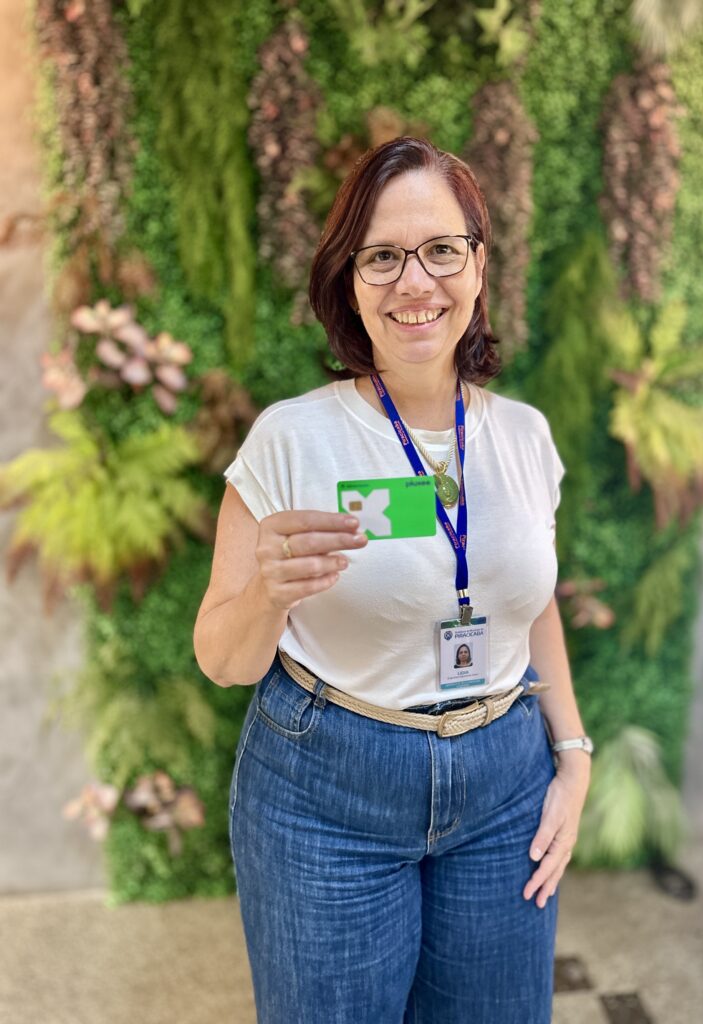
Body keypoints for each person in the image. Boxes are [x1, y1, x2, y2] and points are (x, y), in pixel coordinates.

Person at [193, 136, 592, 1024]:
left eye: (442, 249)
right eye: (382, 257)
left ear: (478, 266)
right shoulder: (292, 441)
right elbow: (222, 658)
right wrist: (267, 591)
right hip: (327, 792)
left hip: (503, 788)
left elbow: (530, 613)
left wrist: (573, 758)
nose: (417, 282)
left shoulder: (526, 438)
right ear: (350, 282)